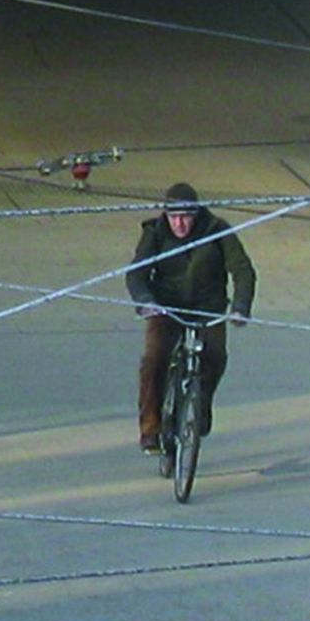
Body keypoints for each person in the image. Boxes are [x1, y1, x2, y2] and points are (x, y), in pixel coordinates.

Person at [125, 181, 258, 452]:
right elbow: (137, 272)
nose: (180, 224)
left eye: (186, 217)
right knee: (154, 360)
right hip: (166, 307)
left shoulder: (216, 230)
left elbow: (242, 270)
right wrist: (146, 302)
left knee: (215, 356)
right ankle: (151, 428)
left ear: (196, 214)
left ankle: (201, 403)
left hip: (207, 307)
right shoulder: (155, 232)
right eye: (174, 217)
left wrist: (240, 307)